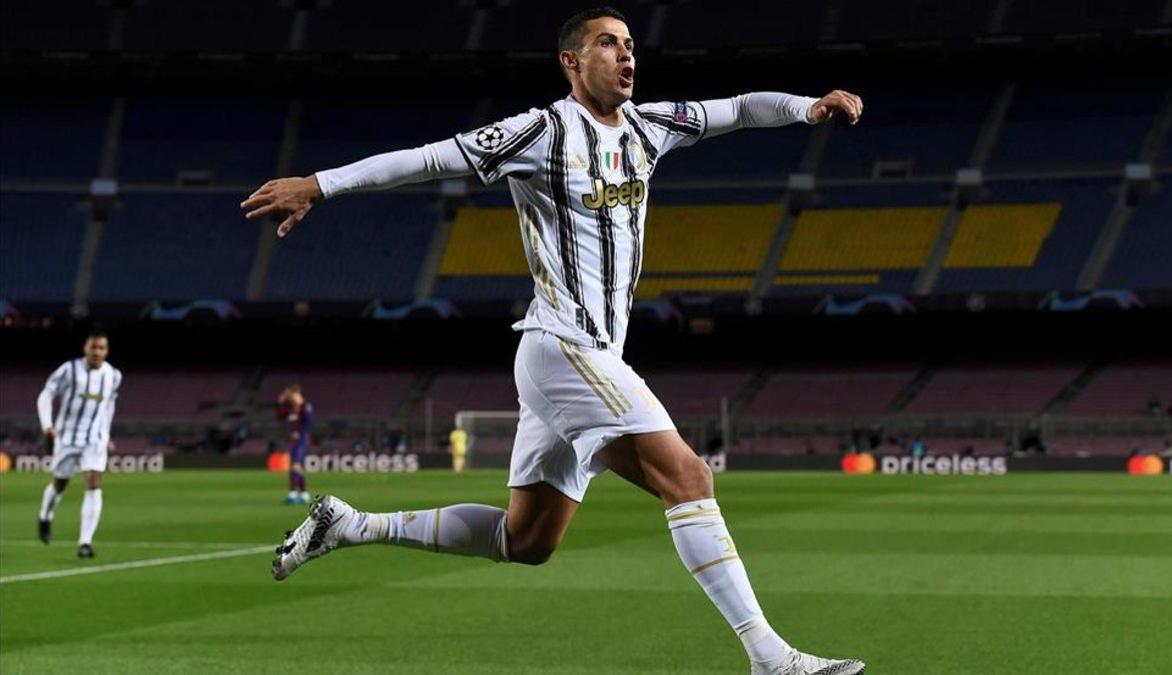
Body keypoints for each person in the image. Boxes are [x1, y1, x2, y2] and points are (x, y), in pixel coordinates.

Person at [242, 7, 865, 674]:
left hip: (582, 357)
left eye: (630, 45)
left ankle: (353, 523)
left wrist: (809, 108)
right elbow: (429, 158)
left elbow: (739, 108)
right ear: (571, 61)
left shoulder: (651, 128)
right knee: (688, 474)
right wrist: (320, 184)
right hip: (565, 345)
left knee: (528, 538)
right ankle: (769, 656)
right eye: (608, 44)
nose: (626, 56)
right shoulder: (539, 132)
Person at [35, 330, 122, 559]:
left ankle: (85, 542)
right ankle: (45, 516)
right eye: (93, 347)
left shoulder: (113, 375)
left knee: (94, 481)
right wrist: (47, 426)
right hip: (66, 437)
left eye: (101, 348)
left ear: (107, 351)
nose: (97, 352)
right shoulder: (69, 370)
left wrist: (107, 434)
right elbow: (46, 394)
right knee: (60, 484)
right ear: (85, 348)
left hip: (94, 439)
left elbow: (109, 406)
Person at [276, 384, 313, 504]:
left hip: (302, 440)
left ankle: (292, 494)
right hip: (294, 442)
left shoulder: (305, 407)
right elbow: (280, 416)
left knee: (295, 466)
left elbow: (309, 421)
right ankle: (304, 494)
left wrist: (299, 432)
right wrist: (281, 402)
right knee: (298, 468)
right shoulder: (291, 409)